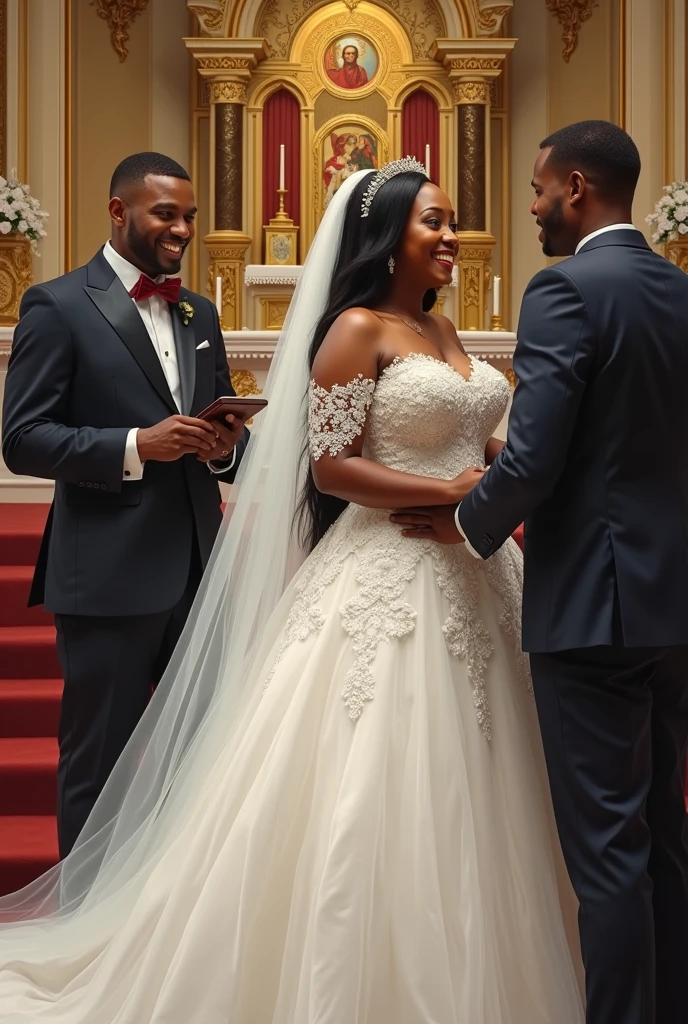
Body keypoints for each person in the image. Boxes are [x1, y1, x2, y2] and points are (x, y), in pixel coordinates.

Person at [0, 162, 585, 1023]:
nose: (454, 235)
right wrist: (451, 495)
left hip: (475, 575)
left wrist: (498, 477)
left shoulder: (445, 329)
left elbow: (464, 438)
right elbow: (331, 467)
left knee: (487, 779)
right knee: (357, 782)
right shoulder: (353, 328)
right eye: (435, 221)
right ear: (389, 236)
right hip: (374, 571)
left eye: (454, 220)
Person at [393, 121, 688, 1024]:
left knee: (604, 852)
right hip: (672, 600)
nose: (531, 207)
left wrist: (466, 524)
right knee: (664, 835)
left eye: (538, 188)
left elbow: (535, 457)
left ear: (577, 187)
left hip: (592, 608)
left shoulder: (564, 291)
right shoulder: (679, 290)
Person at [1, 151, 249, 859]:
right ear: (119, 212)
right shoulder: (57, 304)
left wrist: (223, 447)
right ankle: (84, 934)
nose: (181, 230)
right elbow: (24, 440)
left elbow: (224, 435)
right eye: (166, 214)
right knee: (98, 767)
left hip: (199, 574)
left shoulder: (198, 311)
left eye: (190, 217)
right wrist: (139, 443)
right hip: (107, 577)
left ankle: (165, 930)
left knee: (200, 765)